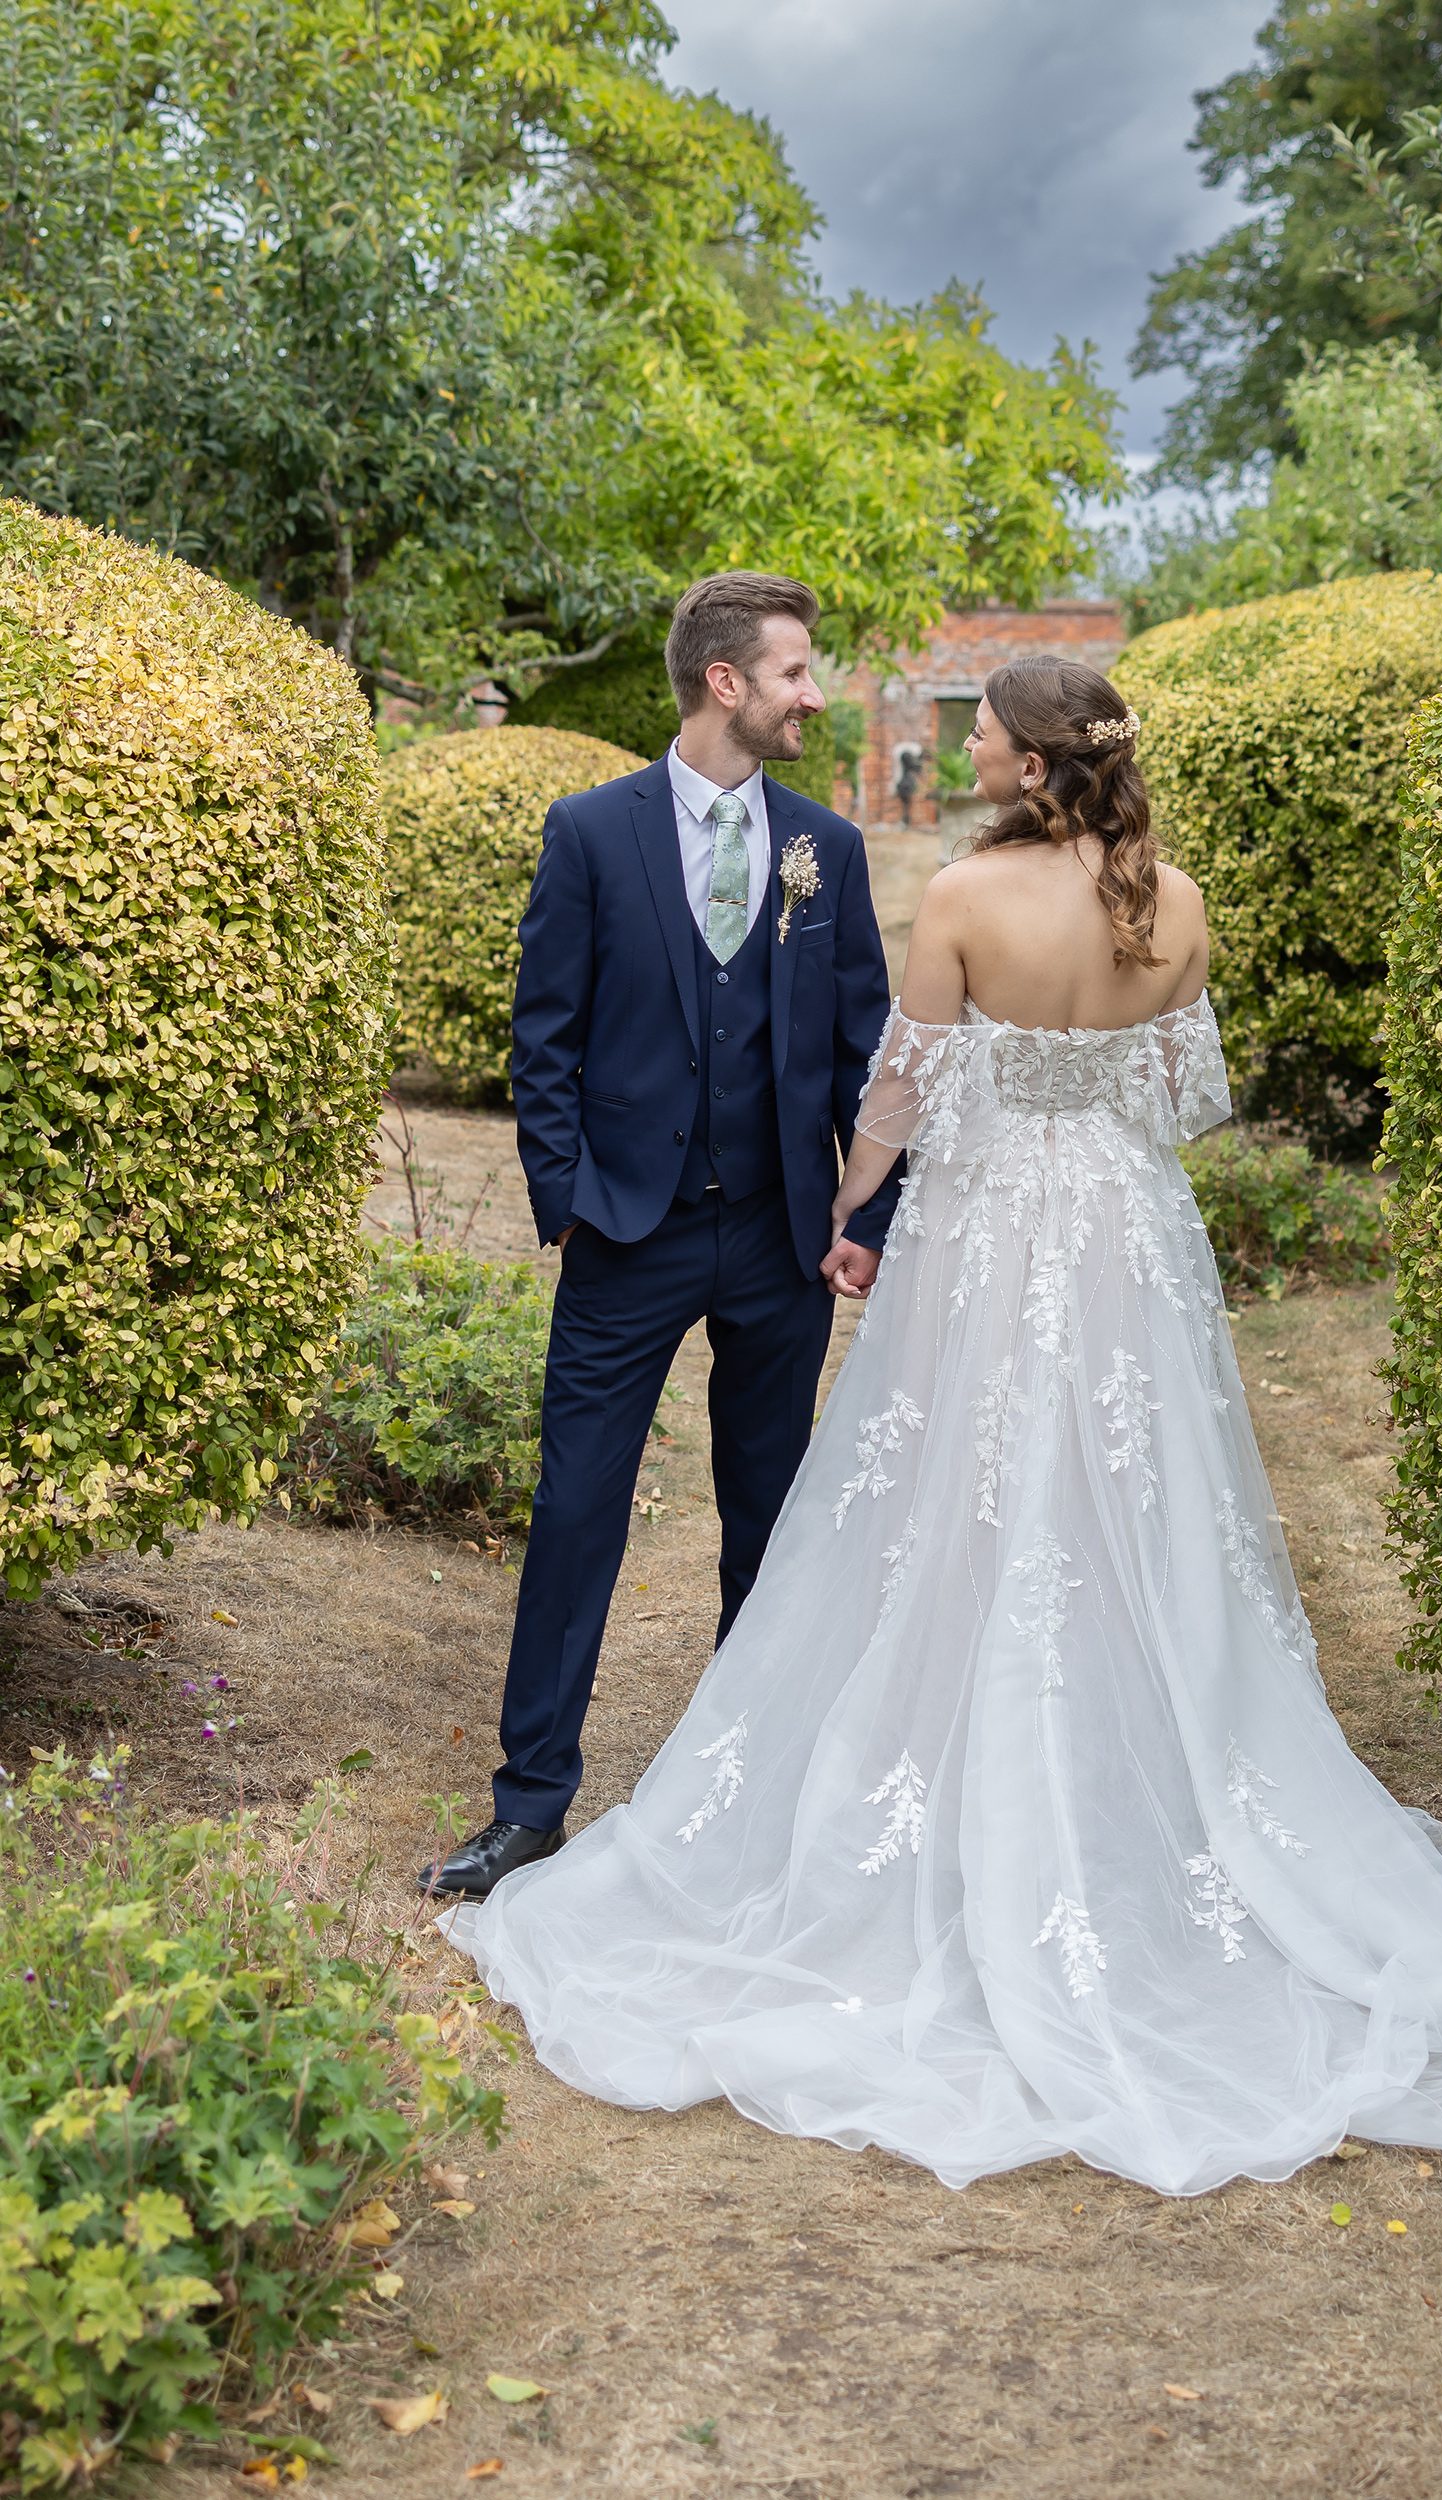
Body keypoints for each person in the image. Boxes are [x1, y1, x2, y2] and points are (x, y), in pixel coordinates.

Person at [447, 655, 1442, 2196]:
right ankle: (1139, 1773)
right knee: (1130, 1507)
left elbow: (899, 1096)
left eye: (987, 741)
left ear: (1023, 765)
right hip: (1129, 1241)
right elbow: (1180, 1099)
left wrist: (841, 1204)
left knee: (950, 1497)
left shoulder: (959, 899)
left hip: (990, 1241)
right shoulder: (1182, 898)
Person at [421, 572, 900, 1902]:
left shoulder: (827, 849)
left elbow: (869, 1049)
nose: (818, 694)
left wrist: (869, 1213)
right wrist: (565, 1195)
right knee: (576, 1509)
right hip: (626, 1234)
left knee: (770, 1521)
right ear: (726, 683)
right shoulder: (589, 832)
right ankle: (528, 1808)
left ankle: (742, 1790)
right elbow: (545, 1031)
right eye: (797, 671)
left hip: (780, 1238)